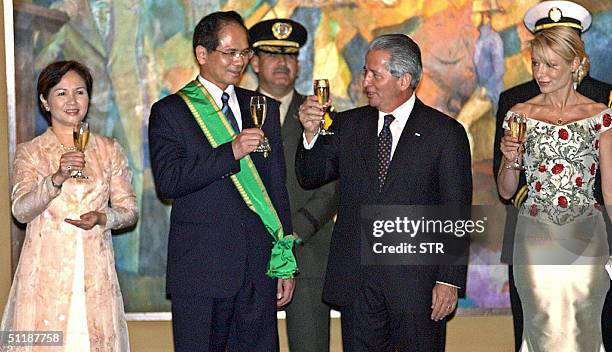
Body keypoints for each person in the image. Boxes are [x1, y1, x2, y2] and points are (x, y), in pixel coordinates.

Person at [296, 33, 472, 351]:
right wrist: (311, 136)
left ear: (403, 79)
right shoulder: (346, 125)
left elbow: (456, 210)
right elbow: (310, 176)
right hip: (358, 282)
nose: (366, 82)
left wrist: (449, 280)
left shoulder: (445, 134)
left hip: (416, 286)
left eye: (375, 74)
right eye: (366, 72)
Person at [148, 11, 297, 352]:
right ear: (203, 54)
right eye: (230, 53)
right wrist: (229, 151)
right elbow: (169, 181)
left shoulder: (262, 107)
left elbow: (276, 189)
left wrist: (284, 261)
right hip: (203, 269)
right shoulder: (171, 111)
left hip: (258, 270)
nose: (239, 61)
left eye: (244, 53)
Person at [492, 1, 612, 350]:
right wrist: (509, 159)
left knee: (584, 332)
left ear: (575, 64)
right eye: (536, 64)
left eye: (550, 65)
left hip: (588, 239)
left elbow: (609, 191)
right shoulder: (519, 113)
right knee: (541, 330)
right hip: (534, 240)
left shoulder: (601, 115)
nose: (540, 73)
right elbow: (505, 189)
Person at [0, 60, 138, 351]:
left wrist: (103, 217)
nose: (72, 101)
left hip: (96, 276)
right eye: (61, 93)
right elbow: (21, 211)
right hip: (44, 278)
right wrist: (56, 178)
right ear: (45, 101)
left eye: (80, 92)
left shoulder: (108, 149)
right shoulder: (31, 152)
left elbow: (129, 212)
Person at [249, 18, 338, 352]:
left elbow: (332, 186)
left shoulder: (322, 114)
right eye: (271, 54)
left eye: (290, 55)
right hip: (248, 254)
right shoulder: (235, 114)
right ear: (254, 62)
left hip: (307, 253)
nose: (282, 62)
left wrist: (291, 234)